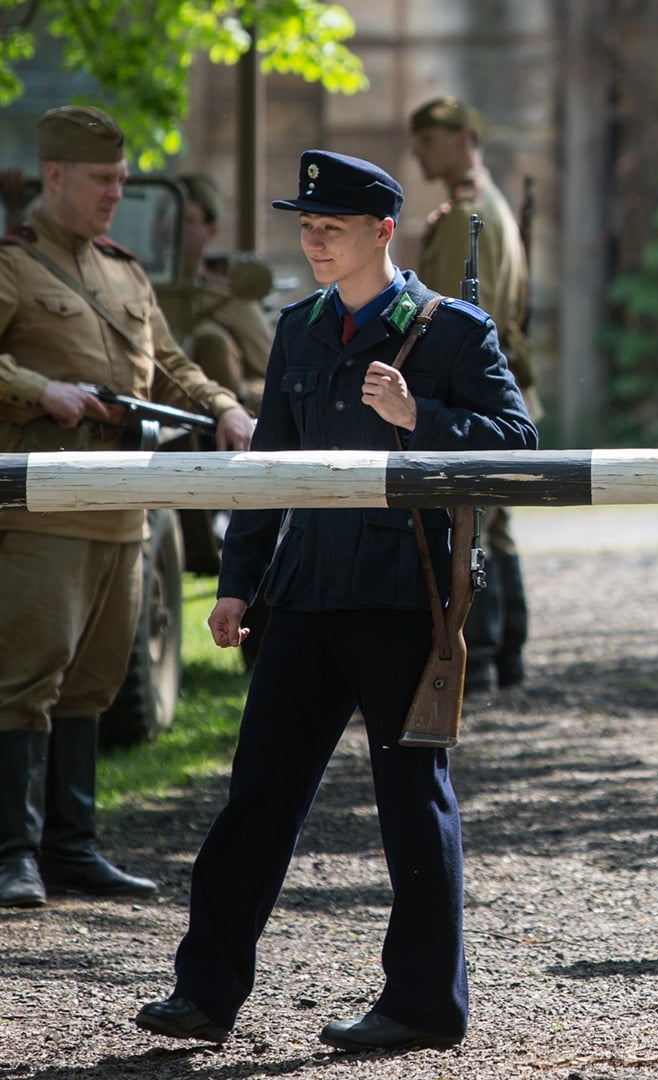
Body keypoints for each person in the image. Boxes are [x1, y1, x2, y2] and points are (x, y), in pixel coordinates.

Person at [134, 150, 536, 1051]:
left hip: (403, 600)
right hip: (306, 597)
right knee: (257, 798)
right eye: (307, 228)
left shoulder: (455, 331)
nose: (314, 243)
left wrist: (421, 419)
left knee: (410, 803)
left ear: (382, 232)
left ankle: (425, 1005)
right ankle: (205, 993)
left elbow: (522, 444)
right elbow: (270, 467)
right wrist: (239, 580)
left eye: (333, 229)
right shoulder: (300, 329)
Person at [0, 107, 253, 910]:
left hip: (126, 510)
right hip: (44, 511)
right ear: (56, 177)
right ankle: (13, 853)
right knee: (23, 681)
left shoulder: (124, 271)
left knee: (95, 685)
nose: (117, 194)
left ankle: (72, 848)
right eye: (104, 181)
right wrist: (39, 389)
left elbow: (172, 363)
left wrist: (225, 408)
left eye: (120, 179)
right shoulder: (13, 264)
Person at [409, 95, 536, 692]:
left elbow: (447, 317)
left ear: (463, 138)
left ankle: (480, 658)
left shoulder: (467, 215)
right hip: (497, 378)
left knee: (471, 523)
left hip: (472, 387)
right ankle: (504, 654)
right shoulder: (486, 204)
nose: (418, 152)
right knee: (493, 522)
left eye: (428, 140)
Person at [171, 173, 274, 411]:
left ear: (210, 231)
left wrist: (234, 397)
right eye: (164, 214)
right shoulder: (131, 282)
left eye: (185, 219)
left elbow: (272, 379)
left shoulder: (230, 298)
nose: (169, 225)